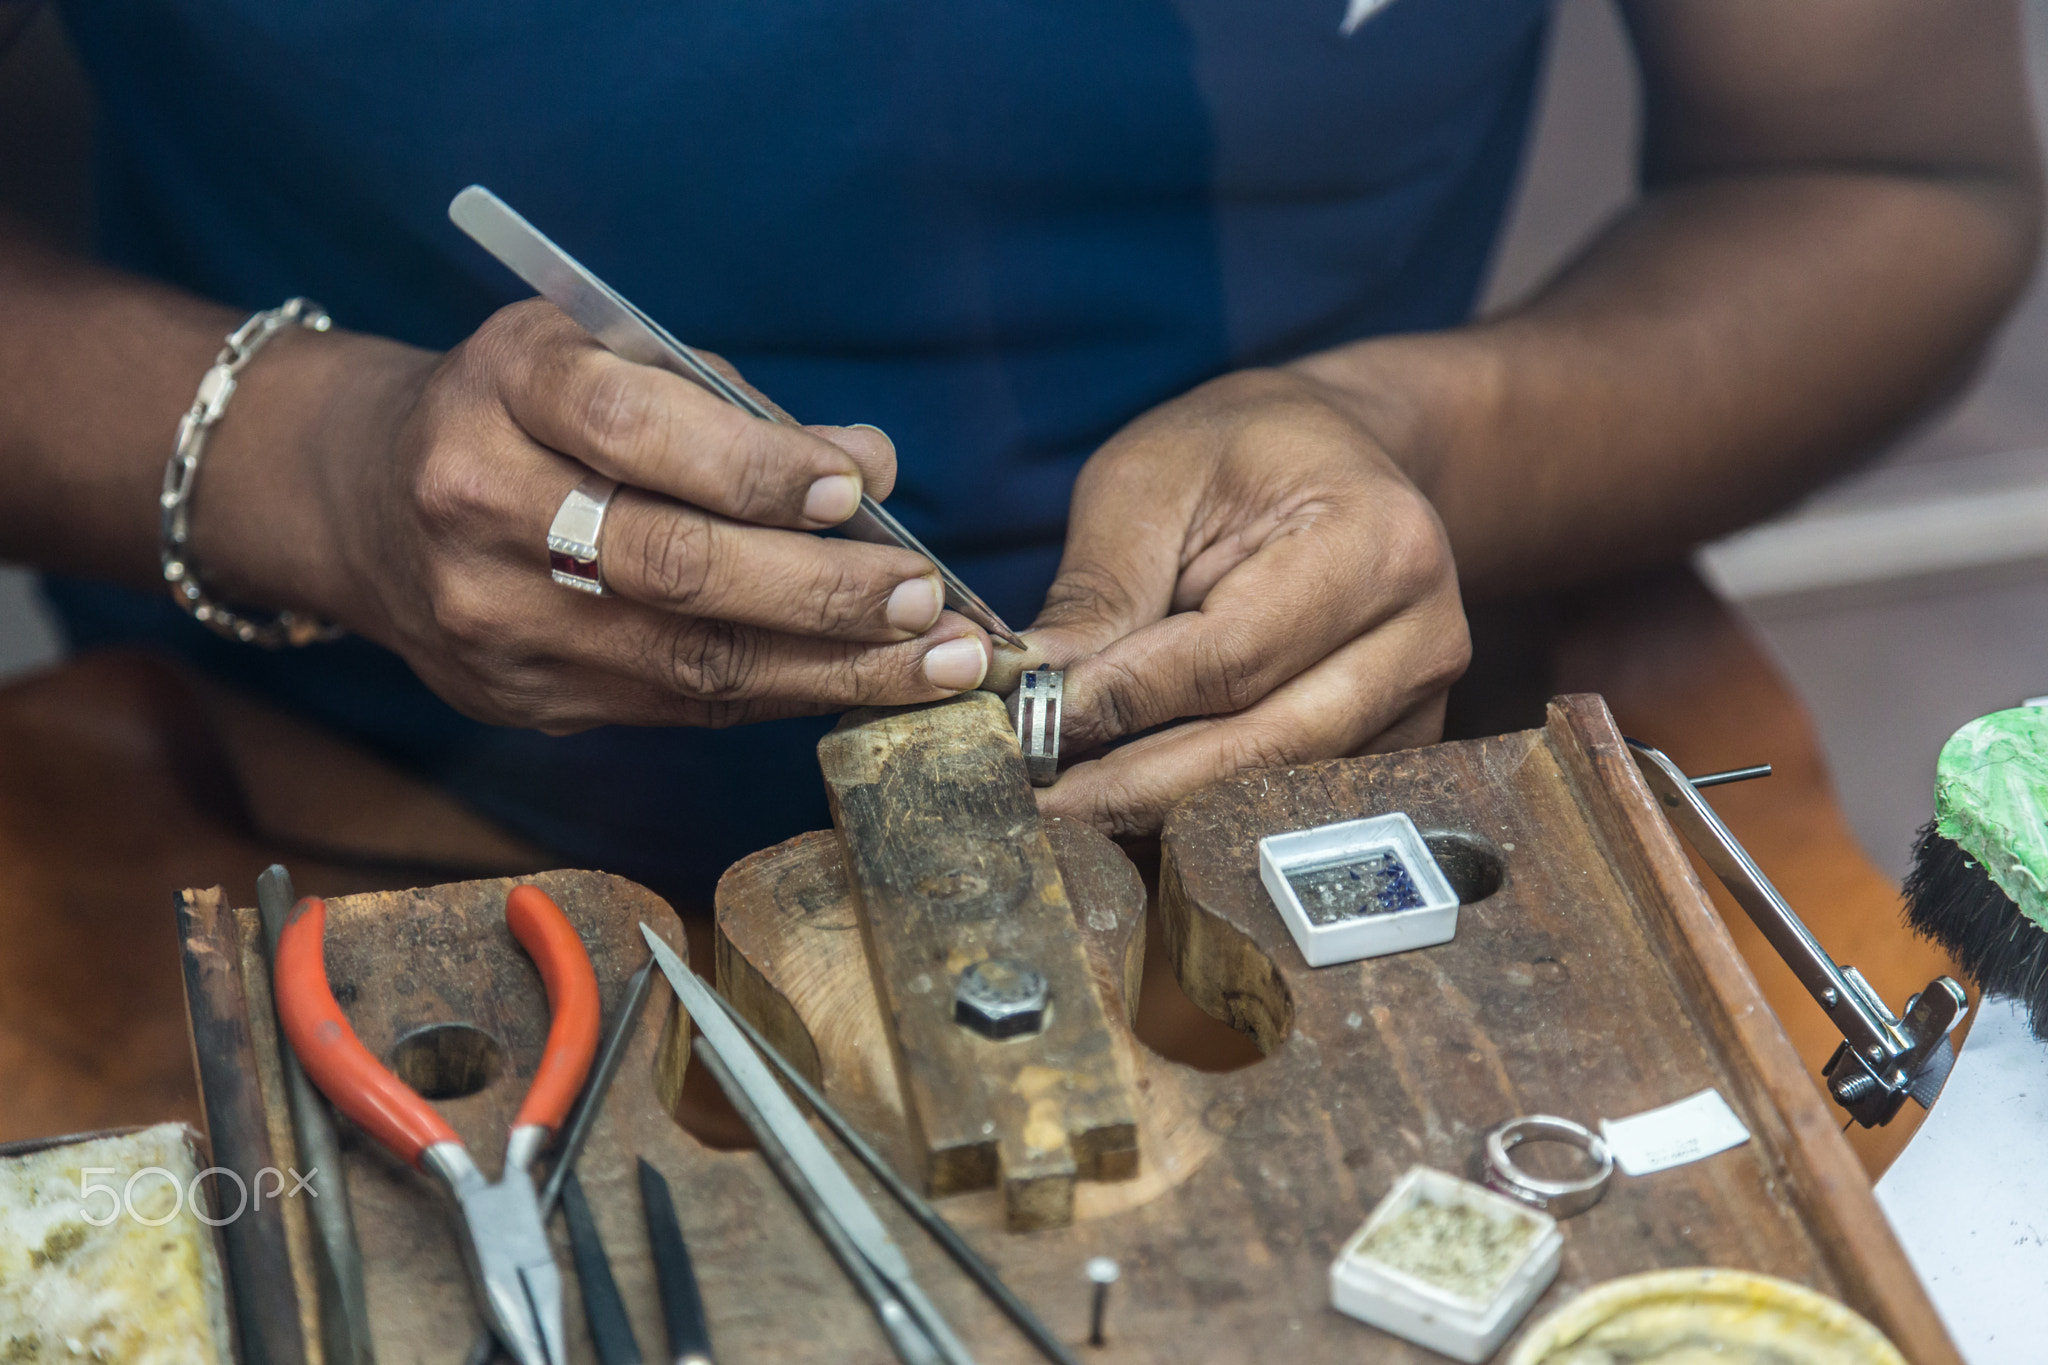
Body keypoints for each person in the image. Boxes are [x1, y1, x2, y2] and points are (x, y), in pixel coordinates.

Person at [0, 1, 2036, 907]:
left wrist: (1419, 434)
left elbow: (1891, 173)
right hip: (281, 759)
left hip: (1317, 753)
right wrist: (309, 462)